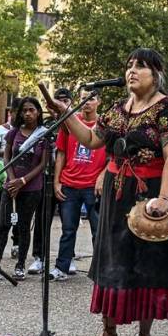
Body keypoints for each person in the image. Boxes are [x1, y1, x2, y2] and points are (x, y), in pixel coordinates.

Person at [44, 47, 168, 336]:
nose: (132, 71)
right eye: (129, 66)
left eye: (140, 66)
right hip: (117, 192)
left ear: (156, 74)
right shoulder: (115, 108)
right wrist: (64, 114)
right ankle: (109, 332)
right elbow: (91, 139)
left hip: (151, 191)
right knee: (112, 260)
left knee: (148, 263)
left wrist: (164, 200)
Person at [0, 97, 46, 282]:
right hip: (10, 187)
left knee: (24, 227)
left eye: (31, 110)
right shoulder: (13, 133)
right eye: (24, 110)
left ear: (38, 112)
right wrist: (12, 181)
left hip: (31, 188)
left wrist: (23, 181)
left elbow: (43, 164)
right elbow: (7, 158)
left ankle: (20, 266)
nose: (27, 113)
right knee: (3, 224)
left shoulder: (44, 135)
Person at [51, 90, 106, 281]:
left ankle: (99, 270)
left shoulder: (105, 124)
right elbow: (61, 153)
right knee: (67, 229)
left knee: (98, 230)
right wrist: (57, 181)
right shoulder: (69, 123)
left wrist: (102, 177)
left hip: (93, 186)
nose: (87, 102)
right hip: (69, 184)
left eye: (91, 98)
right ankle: (62, 267)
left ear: (99, 102)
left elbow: (112, 157)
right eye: (83, 98)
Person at [28, 87, 73, 275]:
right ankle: (39, 257)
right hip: (46, 177)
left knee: (69, 221)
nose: (61, 103)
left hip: (67, 178)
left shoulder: (74, 123)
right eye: (57, 100)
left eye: (65, 99)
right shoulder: (45, 125)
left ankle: (67, 258)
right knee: (42, 219)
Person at [0, 97, 19, 249]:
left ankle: (17, 242)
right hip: (0, 178)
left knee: (18, 215)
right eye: (18, 112)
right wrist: (7, 152)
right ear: (11, 113)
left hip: (19, 178)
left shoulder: (27, 132)